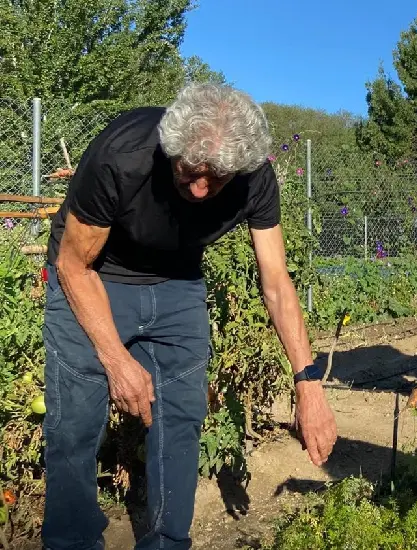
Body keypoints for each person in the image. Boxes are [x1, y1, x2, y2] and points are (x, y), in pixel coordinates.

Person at [41, 83, 338, 550]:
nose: (201, 189)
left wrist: (308, 383)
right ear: (170, 148)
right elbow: (73, 266)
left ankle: (166, 542)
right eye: (190, 173)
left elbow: (277, 282)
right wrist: (118, 362)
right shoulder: (123, 155)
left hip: (178, 283)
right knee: (75, 425)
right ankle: (72, 541)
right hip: (94, 277)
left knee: (180, 419)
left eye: (217, 179)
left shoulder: (253, 177)